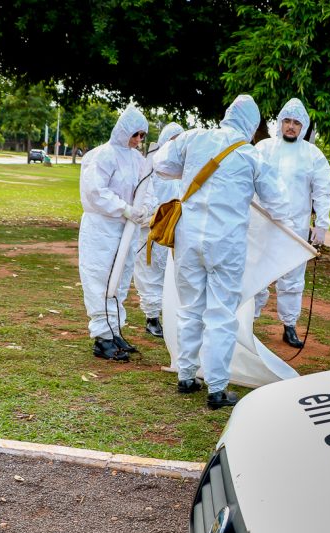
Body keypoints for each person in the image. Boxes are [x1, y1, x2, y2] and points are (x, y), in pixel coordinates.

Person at [154, 94, 289, 409]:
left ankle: (186, 375)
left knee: (189, 308)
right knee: (220, 314)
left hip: (187, 239)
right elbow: (279, 203)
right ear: (252, 125)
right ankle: (216, 388)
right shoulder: (251, 155)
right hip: (226, 244)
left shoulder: (192, 138)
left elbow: (161, 164)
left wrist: (188, 172)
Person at [254, 98, 330, 348]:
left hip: (295, 228)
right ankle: (247, 322)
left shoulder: (313, 155)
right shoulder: (264, 148)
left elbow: (322, 191)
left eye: (296, 122)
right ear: (279, 123)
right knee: (256, 274)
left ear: (304, 126)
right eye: (287, 121)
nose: (291, 126)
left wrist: (322, 224)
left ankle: (289, 326)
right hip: (263, 224)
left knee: (293, 278)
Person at [77, 105, 150, 361]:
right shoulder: (102, 155)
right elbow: (96, 192)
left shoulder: (137, 159)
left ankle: (114, 329)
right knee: (100, 278)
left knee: (120, 278)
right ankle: (102, 338)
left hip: (125, 228)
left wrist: (141, 212)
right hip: (102, 228)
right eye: (136, 134)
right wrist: (125, 209)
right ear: (124, 130)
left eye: (142, 135)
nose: (138, 140)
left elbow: (144, 189)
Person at [132, 122, 184, 338]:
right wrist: (153, 217)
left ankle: (173, 316)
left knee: (174, 276)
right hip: (152, 233)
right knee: (149, 274)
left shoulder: (185, 169)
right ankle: (152, 317)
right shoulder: (150, 168)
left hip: (177, 232)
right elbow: (143, 198)